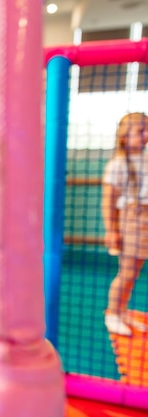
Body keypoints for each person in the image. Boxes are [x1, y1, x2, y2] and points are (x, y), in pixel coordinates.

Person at [102, 112, 148, 335]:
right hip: (131, 220)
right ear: (124, 137)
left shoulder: (146, 159)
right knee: (127, 271)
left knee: (134, 272)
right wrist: (112, 230)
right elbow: (109, 200)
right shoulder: (118, 164)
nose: (146, 135)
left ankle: (122, 310)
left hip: (145, 220)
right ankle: (112, 313)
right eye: (141, 131)